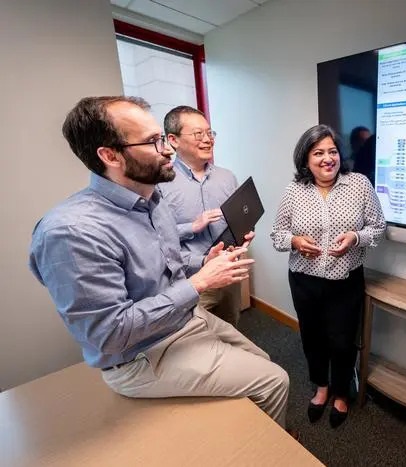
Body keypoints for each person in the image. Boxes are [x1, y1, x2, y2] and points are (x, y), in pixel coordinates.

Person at [29, 96, 290, 428]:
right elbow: (108, 334)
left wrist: (203, 262)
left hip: (182, 320)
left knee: (263, 359)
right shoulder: (72, 232)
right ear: (110, 156)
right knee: (275, 380)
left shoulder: (153, 198)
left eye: (163, 138)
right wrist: (200, 283)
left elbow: (171, 261)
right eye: (154, 142)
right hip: (140, 354)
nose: (168, 150)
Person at [270, 124, 386, 428]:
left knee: (343, 341)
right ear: (306, 159)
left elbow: (378, 227)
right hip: (304, 280)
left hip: (345, 280)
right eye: (318, 152)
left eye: (332, 151)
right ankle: (321, 386)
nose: (327, 158)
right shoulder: (294, 190)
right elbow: (276, 234)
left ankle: (341, 393)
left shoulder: (359, 184)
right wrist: (294, 241)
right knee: (313, 338)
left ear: (340, 154)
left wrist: (356, 238)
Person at [158, 105, 247, 327]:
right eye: (199, 134)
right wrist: (192, 227)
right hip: (189, 279)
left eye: (210, 133)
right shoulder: (159, 183)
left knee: (231, 328)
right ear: (173, 140)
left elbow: (236, 219)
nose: (208, 139)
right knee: (194, 337)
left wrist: (243, 234)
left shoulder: (227, 177)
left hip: (227, 271)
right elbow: (154, 238)